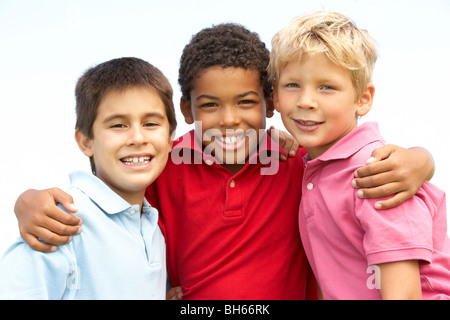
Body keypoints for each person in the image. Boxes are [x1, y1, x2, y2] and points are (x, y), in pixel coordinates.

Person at [13, 24, 435, 300]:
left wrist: (422, 160)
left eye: (246, 102)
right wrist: (28, 201)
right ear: (188, 109)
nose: (229, 119)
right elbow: (112, 191)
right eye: (210, 105)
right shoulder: (165, 165)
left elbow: (349, 162)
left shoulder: (296, 163)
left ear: (270, 103)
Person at [271, 11, 450, 299]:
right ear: (275, 96)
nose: (306, 101)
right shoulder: (311, 167)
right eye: (293, 85)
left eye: (326, 87)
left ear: (363, 99)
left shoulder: (377, 174)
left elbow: (403, 296)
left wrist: (423, 159)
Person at [0, 57, 177, 299]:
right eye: (118, 125)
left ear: (170, 140)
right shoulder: (61, 222)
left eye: (150, 123)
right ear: (86, 142)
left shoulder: (152, 227)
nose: (137, 137)